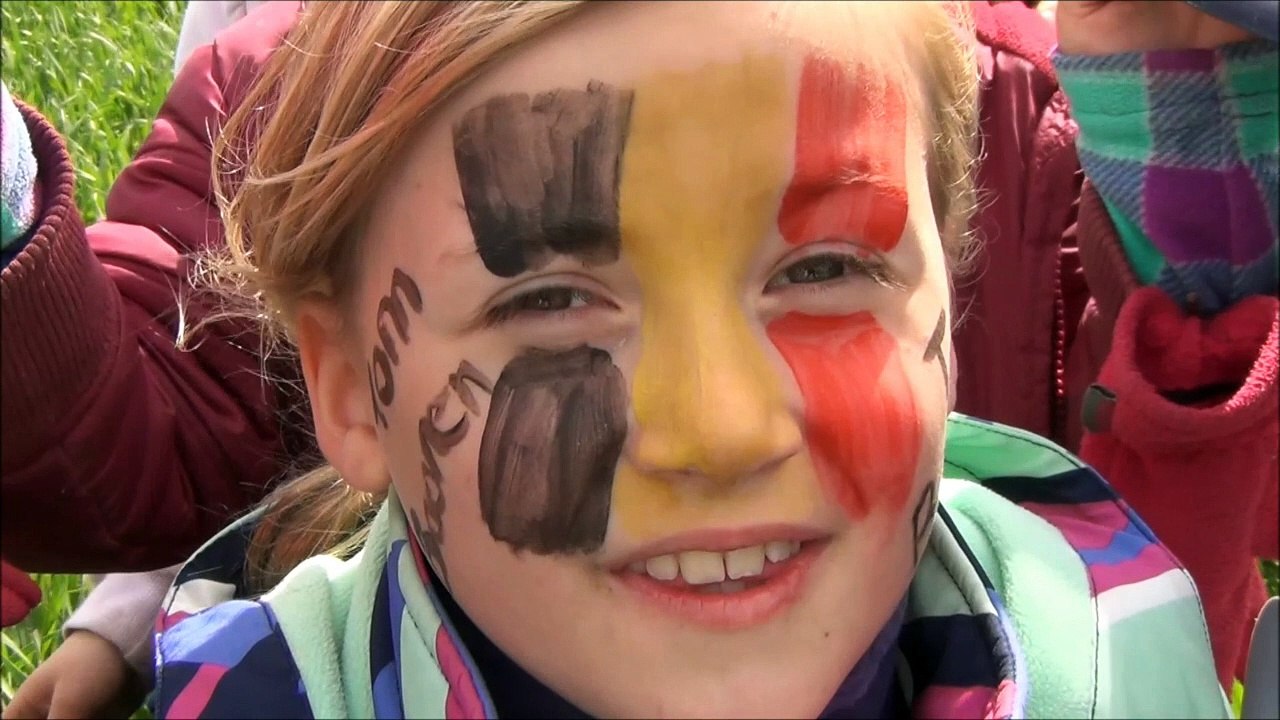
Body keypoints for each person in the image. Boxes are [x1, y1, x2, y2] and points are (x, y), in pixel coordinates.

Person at [1, 0, 1274, 716]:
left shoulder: (1119, 657)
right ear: (343, 382)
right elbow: (122, 418)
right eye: (549, 298)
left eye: (822, 271)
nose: (717, 428)